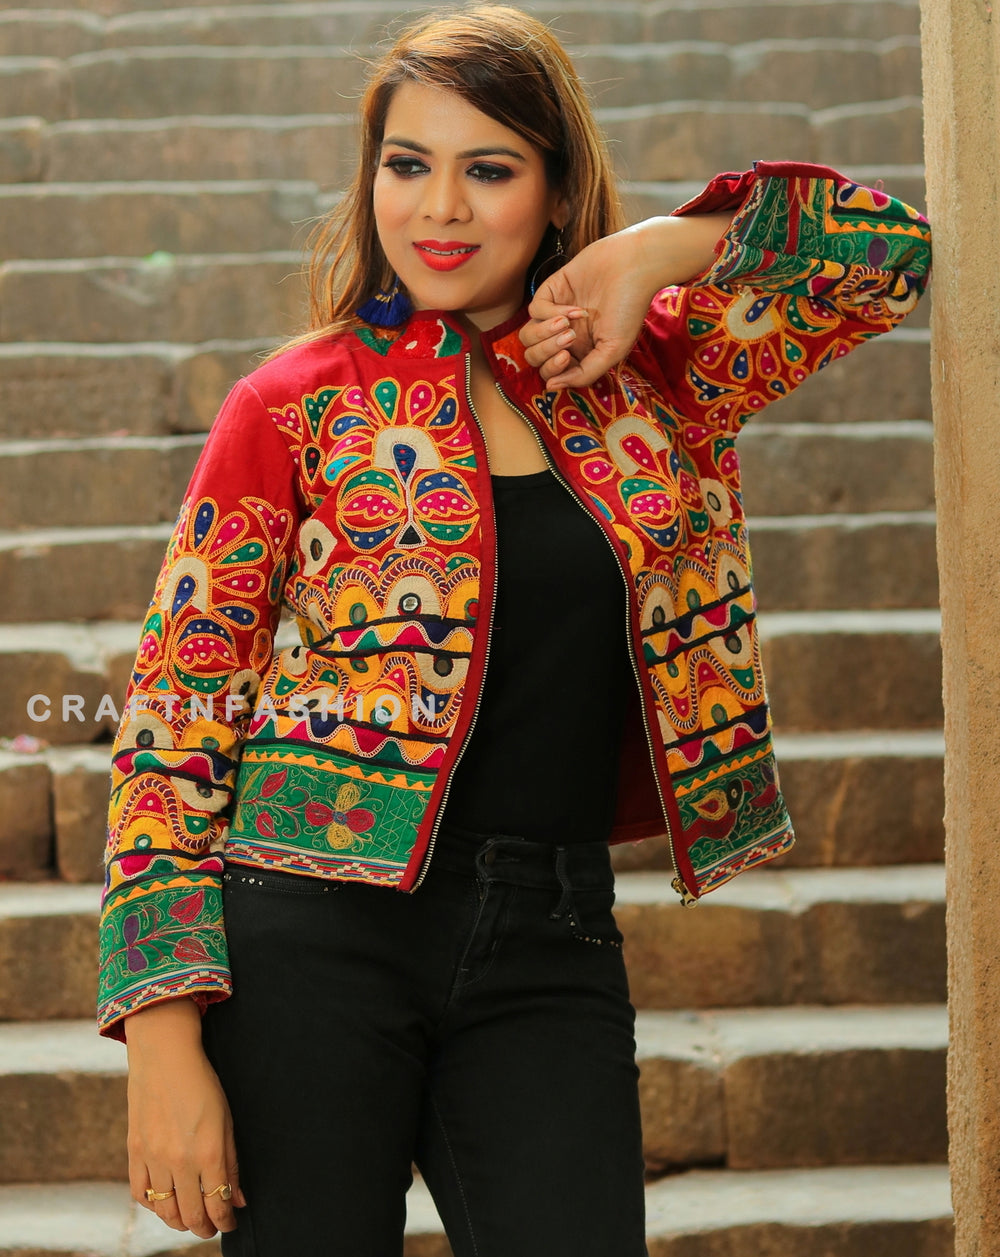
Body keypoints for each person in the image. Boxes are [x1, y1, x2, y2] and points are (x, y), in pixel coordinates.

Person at [95, 4, 932, 1254]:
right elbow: (176, 711)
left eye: (488, 170)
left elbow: (889, 254)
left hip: (550, 932)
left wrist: (657, 250)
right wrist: (160, 1035)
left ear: (554, 191)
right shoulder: (292, 404)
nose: (438, 208)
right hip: (306, 928)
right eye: (407, 164)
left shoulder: (662, 372)